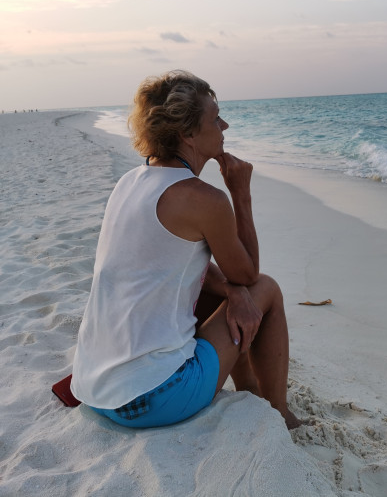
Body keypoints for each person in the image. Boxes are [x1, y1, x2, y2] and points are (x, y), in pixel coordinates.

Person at [71, 70, 301, 429]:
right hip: (153, 398)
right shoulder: (203, 199)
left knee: (228, 291)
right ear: (188, 133)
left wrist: (232, 291)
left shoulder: (129, 181)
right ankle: (279, 415)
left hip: (94, 390)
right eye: (216, 118)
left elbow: (171, 262)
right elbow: (248, 274)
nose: (224, 126)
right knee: (266, 289)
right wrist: (241, 195)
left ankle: (251, 390)